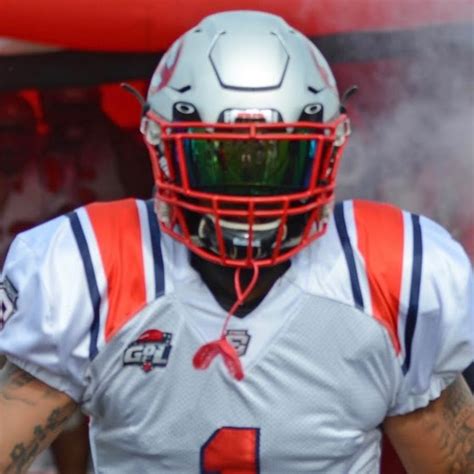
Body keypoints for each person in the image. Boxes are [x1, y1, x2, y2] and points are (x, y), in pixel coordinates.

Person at [0, 10, 473, 473]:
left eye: (277, 158)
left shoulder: (389, 273)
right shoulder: (96, 266)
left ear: (328, 151)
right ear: (162, 149)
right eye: (218, 156)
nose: (249, 194)